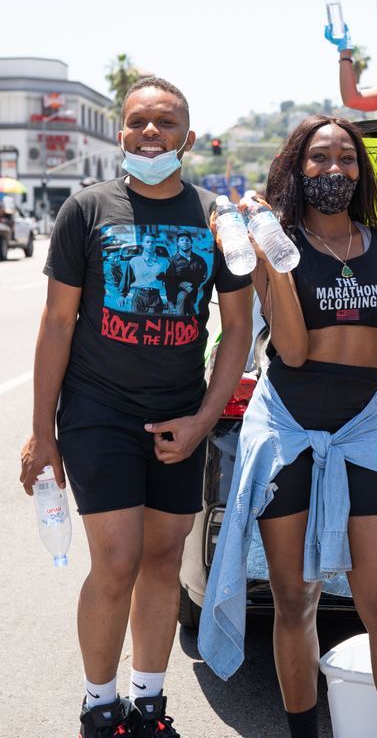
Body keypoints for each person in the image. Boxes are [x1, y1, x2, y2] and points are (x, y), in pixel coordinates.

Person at [19, 77, 252, 738]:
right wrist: (43, 434)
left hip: (180, 414)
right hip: (100, 411)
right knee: (118, 560)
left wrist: (203, 419)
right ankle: (100, 706)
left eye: (165, 122)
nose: (151, 134)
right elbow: (58, 324)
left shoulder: (214, 216)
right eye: (138, 122)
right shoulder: (87, 210)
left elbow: (235, 329)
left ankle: (148, 704)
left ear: (187, 133)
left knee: (161, 561)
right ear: (121, 132)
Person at [199, 115, 377, 738]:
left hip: (361, 433)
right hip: (289, 430)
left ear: (361, 173)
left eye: (347, 160)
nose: (334, 170)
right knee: (295, 601)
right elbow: (295, 353)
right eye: (319, 159)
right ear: (296, 169)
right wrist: (276, 263)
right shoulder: (270, 242)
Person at [119, 231, 168, 314]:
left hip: (155, 297)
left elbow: (170, 282)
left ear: (155, 244)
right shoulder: (134, 261)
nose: (150, 244)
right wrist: (122, 296)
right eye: (147, 242)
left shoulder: (164, 262)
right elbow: (126, 279)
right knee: (137, 323)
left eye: (153, 242)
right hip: (138, 297)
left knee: (153, 324)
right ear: (143, 244)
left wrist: (170, 299)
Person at [165, 231, 208, 315]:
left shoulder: (199, 261)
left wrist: (195, 285)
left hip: (194, 302)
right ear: (177, 243)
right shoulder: (171, 261)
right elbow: (167, 283)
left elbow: (204, 278)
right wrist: (170, 304)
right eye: (182, 240)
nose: (185, 242)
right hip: (177, 303)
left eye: (187, 240)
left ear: (191, 243)